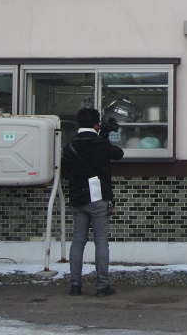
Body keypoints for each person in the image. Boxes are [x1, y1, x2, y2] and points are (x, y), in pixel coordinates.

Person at [62, 107, 124, 297]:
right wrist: (104, 137)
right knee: (101, 242)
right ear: (97, 125)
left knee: (78, 242)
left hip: (77, 197)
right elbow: (118, 153)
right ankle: (102, 286)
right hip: (98, 197)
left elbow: (65, 169)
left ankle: (75, 285)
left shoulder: (69, 147)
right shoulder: (101, 144)